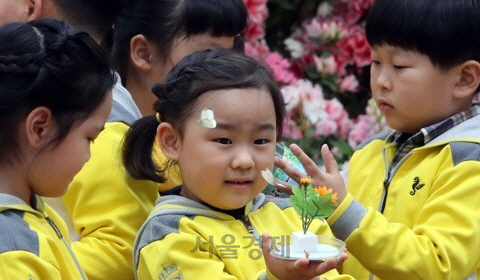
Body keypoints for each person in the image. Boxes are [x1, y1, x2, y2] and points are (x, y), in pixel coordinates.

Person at [276, 0, 480, 279]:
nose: (381, 81)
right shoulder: (372, 151)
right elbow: (347, 252)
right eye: (375, 62)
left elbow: (436, 263)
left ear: (464, 79)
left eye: (399, 65)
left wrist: (341, 208)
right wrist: (311, 212)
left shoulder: (469, 160)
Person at [122, 48, 352, 280]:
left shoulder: (294, 217)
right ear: (171, 142)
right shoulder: (169, 236)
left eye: (261, 141)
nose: (244, 161)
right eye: (224, 140)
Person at [58, 1, 249, 279]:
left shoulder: (194, 137)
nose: (225, 74)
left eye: (230, 57)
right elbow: (119, 252)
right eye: (207, 55)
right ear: (143, 53)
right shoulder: (108, 139)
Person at [0, 19, 114, 279]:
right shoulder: (13, 252)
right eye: (90, 138)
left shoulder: (34, 208)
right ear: (40, 127)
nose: (88, 156)